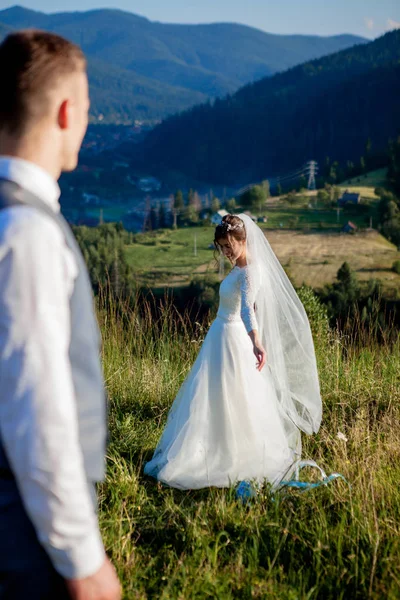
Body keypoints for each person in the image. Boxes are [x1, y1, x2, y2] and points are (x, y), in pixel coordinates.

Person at [0, 31, 121, 599]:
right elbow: (36, 408)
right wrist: (81, 559)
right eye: (89, 110)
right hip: (24, 534)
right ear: (68, 112)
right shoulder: (28, 234)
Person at [144, 213, 322, 490]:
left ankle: (232, 453)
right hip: (220, 336)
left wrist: (256, 342)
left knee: (234, 395)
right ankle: (213, 445)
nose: (225, 252)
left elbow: (247, 309)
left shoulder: (250, 271)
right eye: (222, 247)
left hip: (233, 338)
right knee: (213, 394)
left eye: (229, 246)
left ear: (243, 240)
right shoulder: (238, 267)